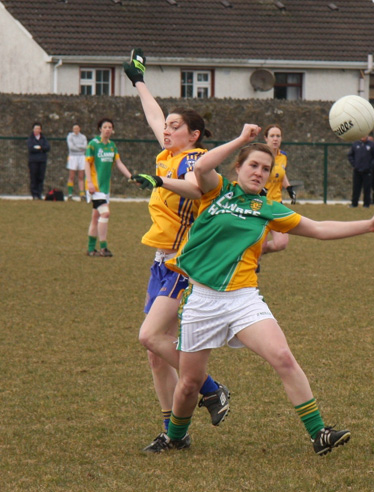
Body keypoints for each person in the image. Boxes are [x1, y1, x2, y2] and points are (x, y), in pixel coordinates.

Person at [146, 123, 374, 455]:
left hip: (243, 298)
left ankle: (319, 433)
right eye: (253, 165)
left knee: (282, 357)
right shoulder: (217, 190)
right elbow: (202, 167)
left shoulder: (268, 209)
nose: (260, 173)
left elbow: (320, 228)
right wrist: (241, 139)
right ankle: (176, 436)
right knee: (190, 384)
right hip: (202, 300)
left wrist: (367, 225)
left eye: (266, 169)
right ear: (238, 167)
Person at [123, 48, 230, 452]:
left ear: (194, 135)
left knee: (149, 337)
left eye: (174, 126)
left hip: (183, 264)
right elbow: (153, 114)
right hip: (159, 263)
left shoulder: (197, 161)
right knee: (154, 355)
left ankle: (212, 388)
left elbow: (198, 187)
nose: (165, 129)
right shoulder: (167, 156)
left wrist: (159, 183)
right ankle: (173, 433)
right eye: (165, 126)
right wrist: (138, 80)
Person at [85, 118, 132, 257]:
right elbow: (87, 164)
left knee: (95, 217)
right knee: (105, 213)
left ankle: (90, 249)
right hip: (96, 188)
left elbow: (119, 163)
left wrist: (131, 177)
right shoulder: (93, 144)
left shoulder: (112, 146)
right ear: (100, 129)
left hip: (105, 189)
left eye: (110, 127)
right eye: (105, 127)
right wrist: (89, 183)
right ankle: (104, 248)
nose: (107, 129)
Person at [262, 123, 296, 254]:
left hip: (276, 203)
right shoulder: (260, 155)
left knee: (281, 243)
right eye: (272, 136)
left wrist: (289, 188)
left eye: (278, 136)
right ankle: (254, 260)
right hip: (261, 204)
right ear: (266, 138)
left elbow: (280, 173)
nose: (275, 139)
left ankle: (256, 252)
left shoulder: (283, 156)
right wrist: (259, 189)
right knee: (260, 242)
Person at [348, 135, 374, 208]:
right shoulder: (355, 144)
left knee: (367, 188)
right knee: (356, 187)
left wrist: (370, 166)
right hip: (357, 170)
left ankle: (366, 204)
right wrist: (354, 164)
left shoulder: (371, 145)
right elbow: (350, 155)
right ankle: (354, 203)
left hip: (367, 171)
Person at [26, 122, 51, 200]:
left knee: (41, 177)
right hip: (33, 161)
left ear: (40, 130)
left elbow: (47, 147)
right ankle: (34, 194)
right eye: (35, 128)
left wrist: (40, 148)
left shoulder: (43, 138)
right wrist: (40, 149)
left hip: (42, 160)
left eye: (38, 129)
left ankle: (39, 193)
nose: (37, 130)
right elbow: (31, 148)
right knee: (34, 177)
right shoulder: (30, 139)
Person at [66, 124, 88, 201]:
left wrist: (77, 146)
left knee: (81, 176)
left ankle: (82, 194)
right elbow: (71, 147)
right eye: (74, 128)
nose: (76, 130)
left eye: (77, 128)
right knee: (71, 176)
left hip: (81, 157)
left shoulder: (83, 137)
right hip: (73, 157)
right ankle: (70, 194)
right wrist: (80, 147)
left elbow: (85, 147)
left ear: (79, 129)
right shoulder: (70, 136)